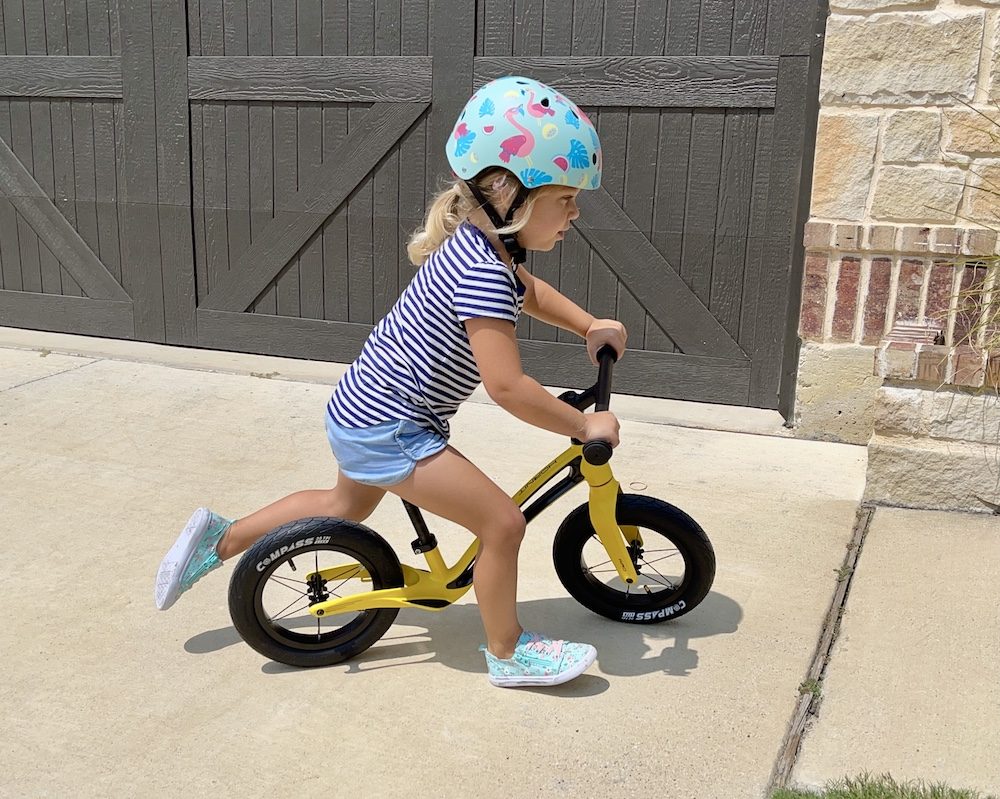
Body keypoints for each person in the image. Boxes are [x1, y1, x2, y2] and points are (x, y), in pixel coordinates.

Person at [155, 75, 627, 688]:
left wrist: (587, 324)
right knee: (503, 524)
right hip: (392, 425)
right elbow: (507, 387)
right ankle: (509, 653)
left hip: (364, 405)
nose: (576, 213)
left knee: (338, 507)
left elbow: (526, 289)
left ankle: (217, 539)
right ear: (511, 195)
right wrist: (582, 423)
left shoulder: (482, 247)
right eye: (566, 199)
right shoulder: (485, 270)